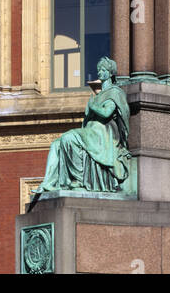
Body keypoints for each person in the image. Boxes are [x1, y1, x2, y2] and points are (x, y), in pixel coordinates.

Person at [38, 56, 132, 195]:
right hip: (90, 131)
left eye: (103, 70)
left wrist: (92, 106)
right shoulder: (98, 95)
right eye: (99, 70)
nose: (100, 72)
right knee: (56, 144)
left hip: (102, 135)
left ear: (110, 73)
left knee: (69, 138)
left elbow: (106, 113)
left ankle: (78, 180)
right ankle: (49, 183)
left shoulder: (114, 93)